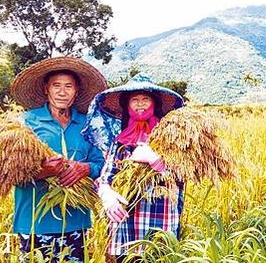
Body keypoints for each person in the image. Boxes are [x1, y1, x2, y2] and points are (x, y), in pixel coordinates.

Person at [10, 57, 107, 262]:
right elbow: (8, 172)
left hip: (75, 222)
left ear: (77, 91)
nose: (62, 92)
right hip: (35, 222)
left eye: (69, 86)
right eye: (56, 86)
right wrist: (44, 172)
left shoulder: (87, 124)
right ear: (46, 89)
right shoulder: (26, 122)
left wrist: (85, 168)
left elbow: (102, 165)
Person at [82, 74, 185, 261]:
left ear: (155, 104)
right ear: (127, 107)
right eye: (134, 100)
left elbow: (184, 174)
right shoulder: (120, 142)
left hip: (160, 221)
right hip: (126, 224)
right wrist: (106, 193)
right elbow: (107, 176)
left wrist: (157, 162)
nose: (140, 104)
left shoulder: (170, 137)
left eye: (145, 99)